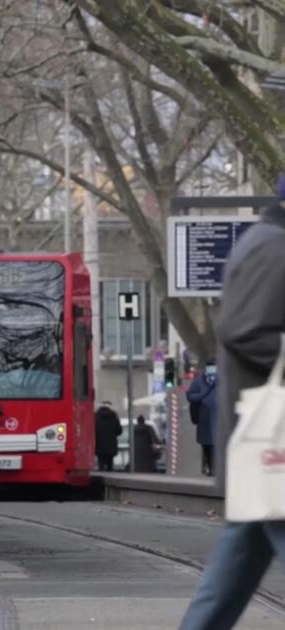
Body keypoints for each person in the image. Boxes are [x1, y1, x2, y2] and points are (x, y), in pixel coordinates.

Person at [179, 180, 285, 630]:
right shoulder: (273, 249)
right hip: (272, 441)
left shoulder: (267, 243)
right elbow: (243, 330)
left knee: (235, 569)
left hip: (260, 444)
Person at [186, 359, 219, 477]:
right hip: (205, 419)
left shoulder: (224, 380)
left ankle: (216, 469)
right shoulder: (199, 381)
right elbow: (190, 396)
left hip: (220, 419)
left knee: (218, 445)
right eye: (211, 367)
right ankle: (211, 468)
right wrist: (203, 395)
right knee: (208, 446)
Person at [94, 401, 122, 472]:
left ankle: (101, 474)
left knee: (101, 461)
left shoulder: (95, 416)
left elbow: (92, 430)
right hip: (111, 444)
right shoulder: (114, 416)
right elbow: (119, 431)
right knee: (110, 462)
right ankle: (110, 472)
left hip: (99, 444)